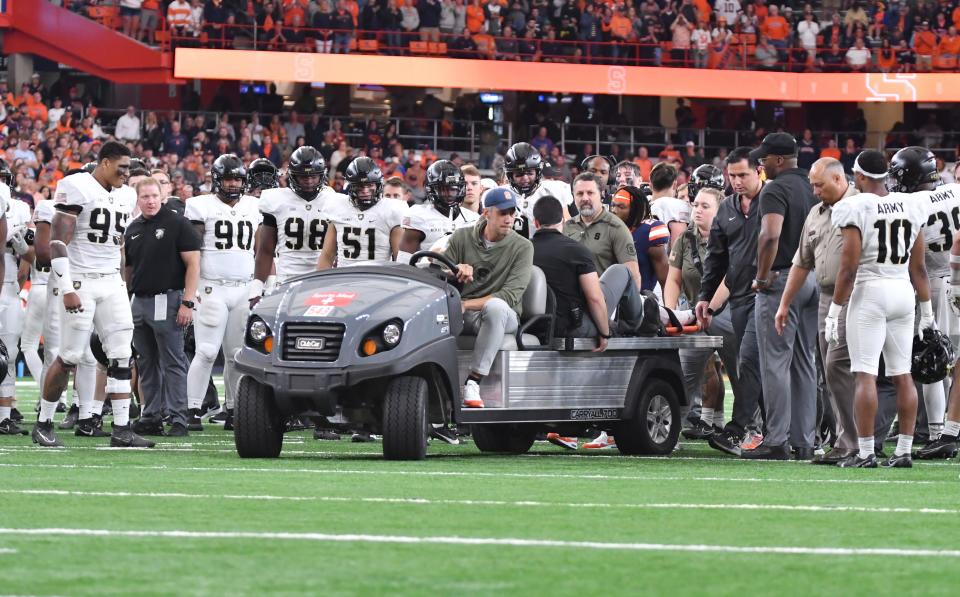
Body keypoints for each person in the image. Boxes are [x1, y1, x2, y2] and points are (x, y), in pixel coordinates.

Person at [33, 141, 154, 448]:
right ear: (104, 163)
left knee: (121, 354)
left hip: (112, 281)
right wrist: (67, 287)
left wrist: (123, 282)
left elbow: (119, 244)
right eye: (121, 167)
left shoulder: (127, 196)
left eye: (129, 168)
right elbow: (58, 243)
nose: (126, 174)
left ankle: (122, 428)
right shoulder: (77, 186)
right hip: (82, 280)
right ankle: (44, 423)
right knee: (70, 356)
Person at [829, 146, 935, 468]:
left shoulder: (856, 206)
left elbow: (847, 269)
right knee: (903, 375)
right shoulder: (911, 204)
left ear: (859, 176)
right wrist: (927, 312)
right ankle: (903, 450)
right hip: (903, 291)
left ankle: (865, 452)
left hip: (870, 290)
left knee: (865, 375)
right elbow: (919, 268)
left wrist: (834, 310)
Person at [774, 157, 863, 464]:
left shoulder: (863, 205)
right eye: (812, 184)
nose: (813, 191)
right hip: (827, 296)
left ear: (839, 180)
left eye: (819, 185)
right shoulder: (816, 213)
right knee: (832, 370)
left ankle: (858, 441)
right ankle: (848, 440)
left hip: (861, 294)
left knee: (852, 369)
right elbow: (802, 261)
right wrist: (784, 303)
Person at [749, 132, 819, 460]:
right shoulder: (815, 185)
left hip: (782, 280)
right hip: (816, 279)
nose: (761, 165)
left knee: (775, 362)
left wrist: (761, 277)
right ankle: (805, 441)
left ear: (779, 160)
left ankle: (776, 440)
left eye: (764, 160)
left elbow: (769, 235)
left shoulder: (776, 188)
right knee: (806, 363)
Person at [696, 147, 765, 456]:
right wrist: (705, 300)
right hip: (737, 298)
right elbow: (716, 259)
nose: (737, 181)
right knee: (748, 366)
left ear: (758, 171)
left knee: (752, 360)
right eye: (732, 176)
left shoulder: (774, 201)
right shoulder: (727, 209)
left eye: (743, 175)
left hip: (768, 295)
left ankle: (738, 430)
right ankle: (764, 429)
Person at [185, 155, 262, 432]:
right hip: (211, 286)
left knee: (237, 354)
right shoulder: (199, 205)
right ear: (217, 179)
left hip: (243, 287)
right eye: (228, 178)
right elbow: (192, 252)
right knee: (206, 351)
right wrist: (190, 292)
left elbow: (262, 248)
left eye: (238, 179)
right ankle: (192, 408)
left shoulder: (255, 206)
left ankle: (234, 408)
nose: (233, 184)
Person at [125, 177, 201, 437]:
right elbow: (129, 269)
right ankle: (151, 415)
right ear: (138, 200)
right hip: (140, 301)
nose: (150, 200)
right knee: (146, 361)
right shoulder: (133, 227)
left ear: (162, 196)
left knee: (173, 361)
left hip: (167, 299)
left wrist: (187, 302)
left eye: (153, 196)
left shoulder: (178, 223)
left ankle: (179, 417)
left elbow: (193, 264)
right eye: (144, 196)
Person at [445, 187, 533, 409]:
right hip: (468, 314)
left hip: (506, 315)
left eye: (512, 213)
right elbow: (437, 271)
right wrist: (453, 268)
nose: (509, 218)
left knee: (496, 307)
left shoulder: (523, 246)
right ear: (486, 213)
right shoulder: (461, 236)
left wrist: (464, 304)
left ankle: (474, 381)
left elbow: (510, 295)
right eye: (503, 213)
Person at [665, 187, 741, 438]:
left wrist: (711, 307)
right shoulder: (685, 239)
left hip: (728, 312)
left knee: (741, 374)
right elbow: (673, 280)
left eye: (705, 206)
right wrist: (671, 311)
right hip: (695, 316)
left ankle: (749, 428)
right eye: (695, 204)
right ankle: (670, 429)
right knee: (685, 374)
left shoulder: (732, 237)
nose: (697, 209)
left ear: (719, 211)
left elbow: (730, 278)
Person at [252, 146, 340, 305]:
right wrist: (257, 287)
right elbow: (265, 249)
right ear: (292, 175)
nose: (309, 181)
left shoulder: (333, 200)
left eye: (313, 176)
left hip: (322, 279)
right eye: (303, 177)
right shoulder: (277, 200)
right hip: (287, 279)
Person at [564, 173, 643, 293]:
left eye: (590, 193)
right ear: (573, 197)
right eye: (580, 193)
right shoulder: (566, 227)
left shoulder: (616, 227)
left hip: (605, 303)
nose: (585, 198)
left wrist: (629, 310)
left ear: (601, 194)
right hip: (570, 302)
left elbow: (633, 276)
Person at [328, 157, 406, 265]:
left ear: (378, 185)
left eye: (369, 185)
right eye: (360, 186)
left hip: (377, 279)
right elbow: (327, 255)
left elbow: (400, 261)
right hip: (345, 278)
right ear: (351, 186)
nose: (365, 191)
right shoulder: (338, 206)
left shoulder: (392, 209)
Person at [399, 160, 479, 257]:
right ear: (430, 189)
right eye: (444, 189)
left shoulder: (473, 219)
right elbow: (404, 262)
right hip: (426, 271)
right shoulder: (418, 216)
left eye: (453, 189)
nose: (449, 194)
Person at [503, 142, 574, 238]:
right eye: (519, 174)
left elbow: (569, 226)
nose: (525, 178)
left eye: (529, 173)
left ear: (537, 173)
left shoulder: (554, 190)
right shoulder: (502, 194)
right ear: (510, 176)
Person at [609, 186, 669, 293]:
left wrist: (669, 308)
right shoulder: (607, 228)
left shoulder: (649, 231)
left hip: (640, 300)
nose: (614, 210)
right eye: (613, 205)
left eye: (621, 207)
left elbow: (666, 281)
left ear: (635, 209)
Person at [648, 162, 691, 249]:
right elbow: (678, 251)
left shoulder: (643, 204)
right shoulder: (677, 205)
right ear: (675, 184)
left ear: (650, 185)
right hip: (665, 260)